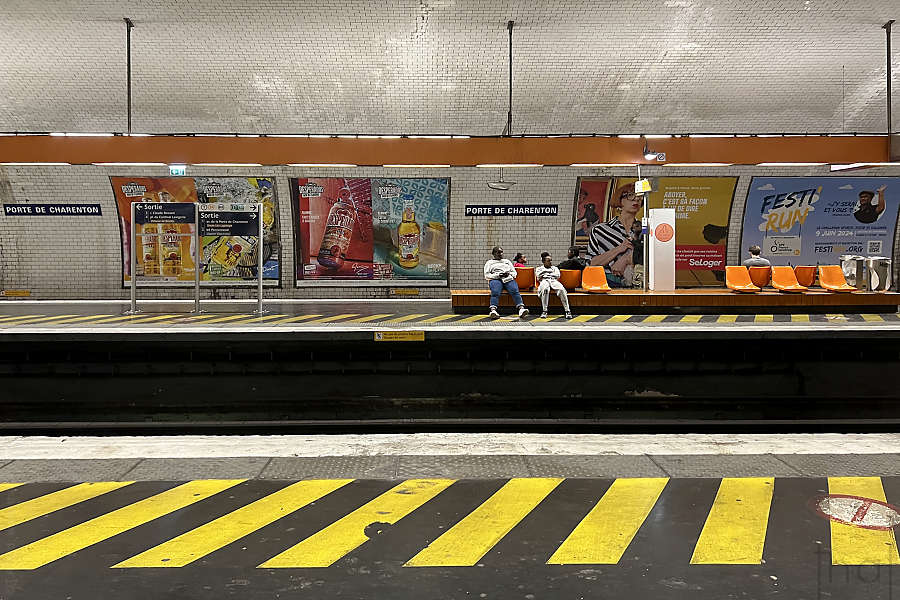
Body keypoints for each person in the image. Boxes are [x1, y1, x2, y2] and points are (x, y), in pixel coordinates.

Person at [587, 185, 642, 287]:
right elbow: (591, 264)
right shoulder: (600, 230)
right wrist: (619, 249)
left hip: (638, 285)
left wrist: (626, 259)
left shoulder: (645, 231)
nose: (636, 199)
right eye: (630, 195)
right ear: (619, 200)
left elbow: (652, 259)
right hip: (605, 284)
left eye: (639, 196)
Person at [484, 246, 529, 319]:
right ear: (493, 253)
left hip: (508, 278)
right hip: (496, 279)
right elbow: (487, 275)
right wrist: (498, 275)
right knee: (495, 292)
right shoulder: (489, 263)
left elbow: (514, 273)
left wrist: (509, 275)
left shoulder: (507, 261)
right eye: (498, 252)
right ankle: (493, 311)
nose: (500, 254)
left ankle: (521, 309)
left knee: (514, 290)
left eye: (501, 252)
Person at [535, 252, 572, 319]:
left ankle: (567, 311)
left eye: (551, 261)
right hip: (544, 281)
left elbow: (557, 275)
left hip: (553, 281)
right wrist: (548, 273)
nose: (550, 262)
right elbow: (538, 277)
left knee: (561, 289)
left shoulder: (555, 268)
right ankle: (544, 311)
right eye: (548, 261)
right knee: (545, 290)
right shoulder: (539, 269)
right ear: (543, 261)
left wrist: (545, 274)